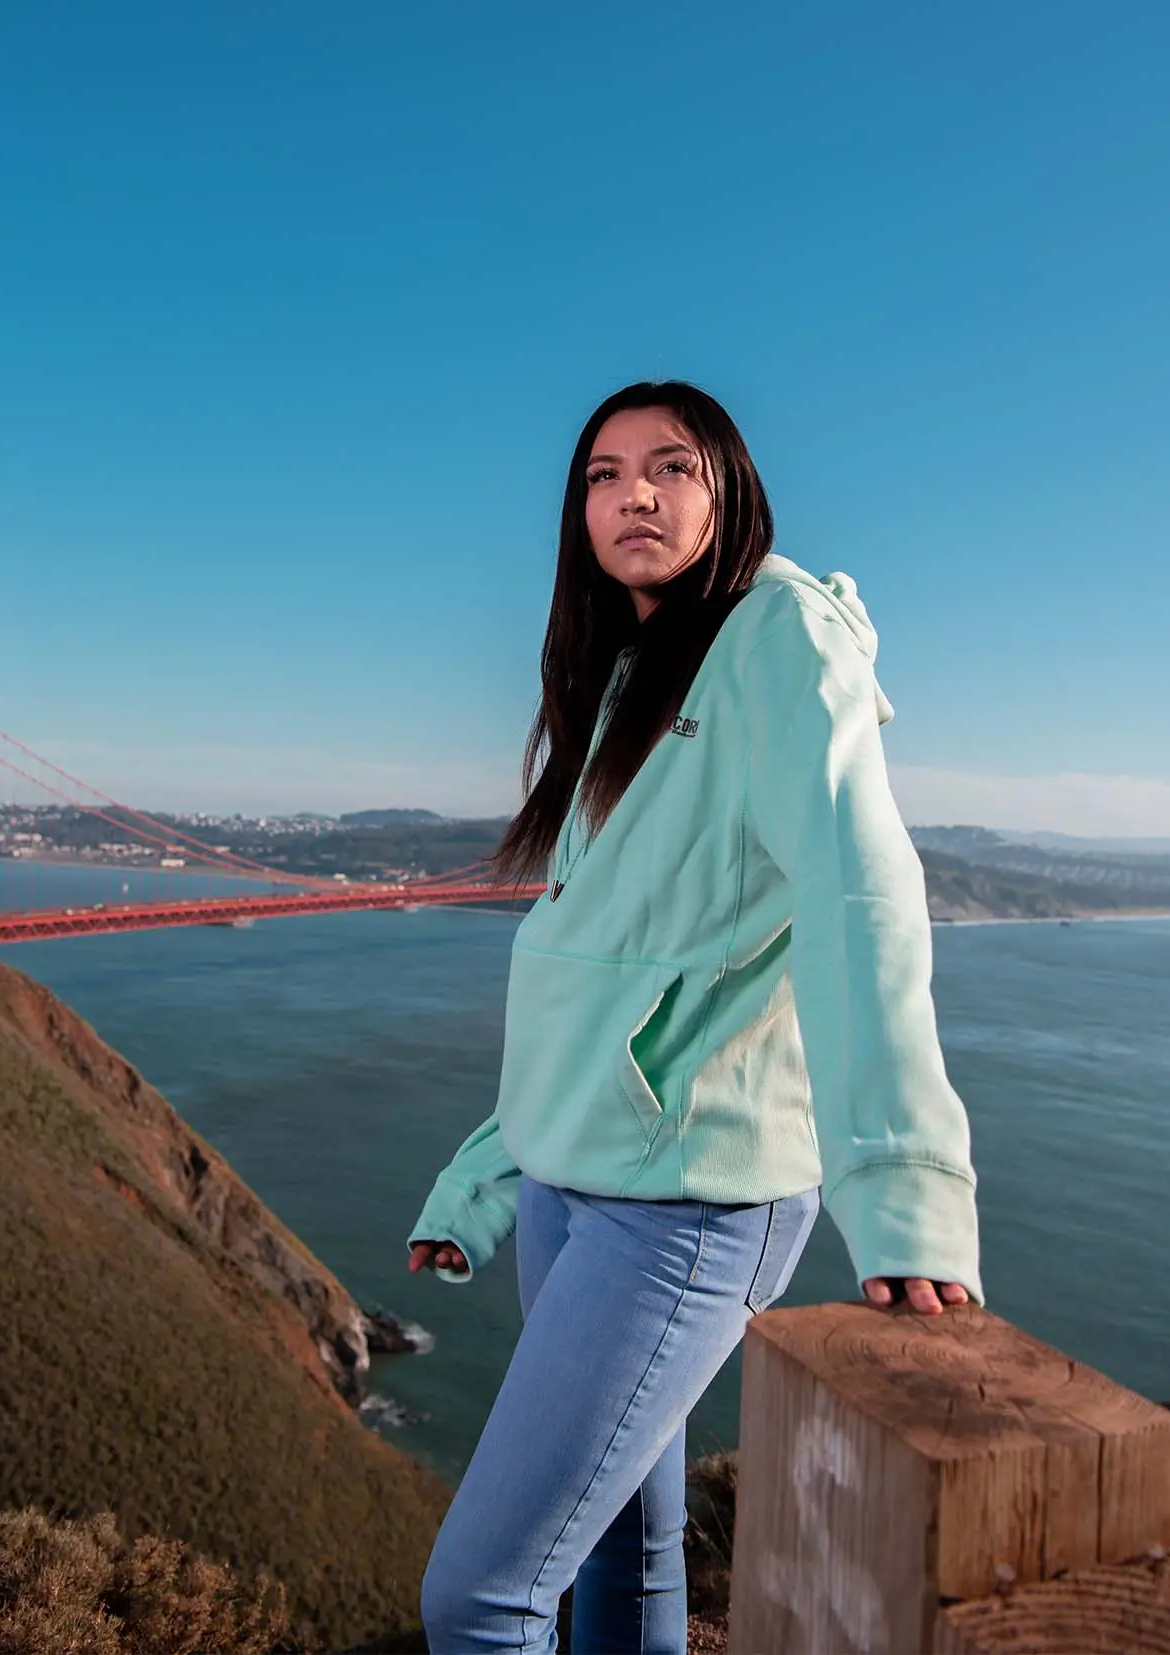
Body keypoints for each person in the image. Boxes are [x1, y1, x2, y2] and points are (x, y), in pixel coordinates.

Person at [407, 381, 981, 1655]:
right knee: (622, 1542)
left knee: (479, 1598)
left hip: (689, 1196)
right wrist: (484, 1178)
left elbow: (857, 894)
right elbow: (589, 960)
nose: (635, 496)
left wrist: (902, 1181)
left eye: (670, 467)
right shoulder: (623, 670)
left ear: (726, 489)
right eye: (604, 477)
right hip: (570, 1182)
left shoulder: (779, 638)